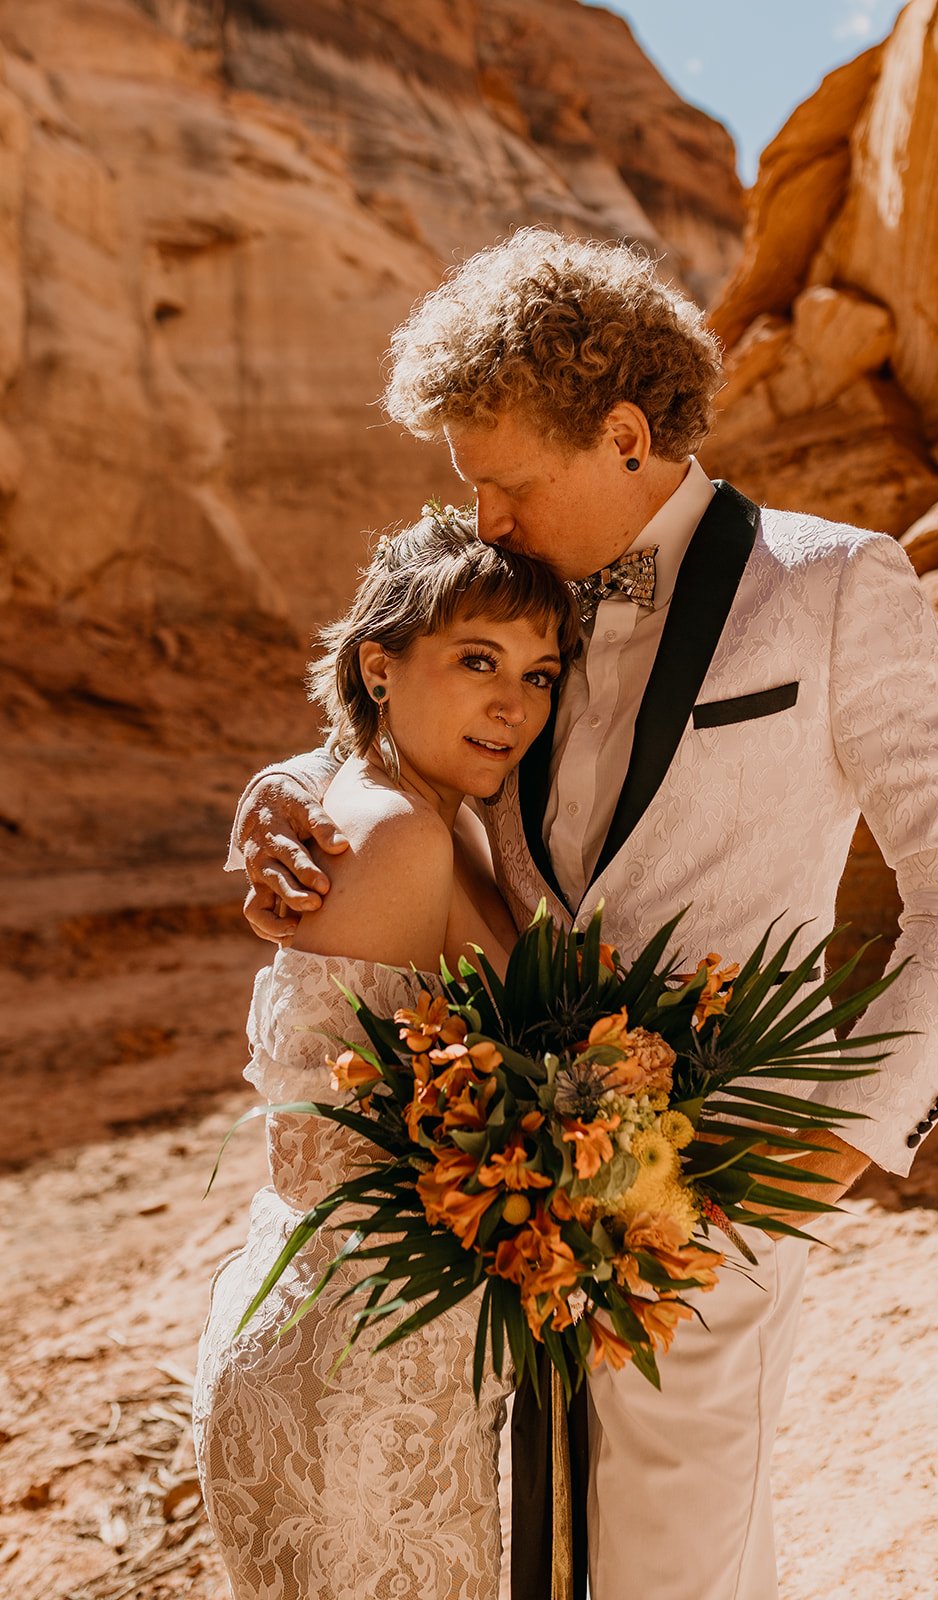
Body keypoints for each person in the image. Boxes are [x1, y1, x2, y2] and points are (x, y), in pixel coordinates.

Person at [228, 230, 938, 1600]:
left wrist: (831, 1144)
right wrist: (281, 789)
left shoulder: (833, 586)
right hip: (483, 1192)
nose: (479, 517)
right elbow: (392, 709)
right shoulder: (502, 575)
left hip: (711, 1181)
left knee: (673, 1560)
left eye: (503, 481)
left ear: (618, 434)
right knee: (527, 1552)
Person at [193, 511, 581, 1600]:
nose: (514, 703)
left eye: (539, 673)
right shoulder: (400, 832)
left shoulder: (430, 809)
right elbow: (324, 1157)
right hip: (361, 1388)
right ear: (379, 662)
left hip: (375, 1352)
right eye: (476, 661)